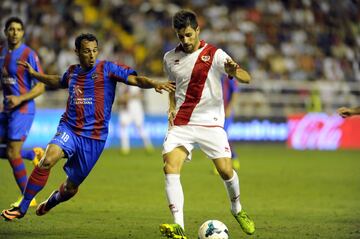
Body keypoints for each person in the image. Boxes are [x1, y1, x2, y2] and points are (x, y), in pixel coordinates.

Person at [1, 33, 175, 221]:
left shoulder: (107, 69)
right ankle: (23, 206)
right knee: (48, 159)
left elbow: (136, 80)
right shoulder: (73, 72)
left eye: (94, 50)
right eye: (86, 51)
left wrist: (155, 83)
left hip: (94, 138)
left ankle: (52, 201)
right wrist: (36, 75)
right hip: (70, 128)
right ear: (77, 52)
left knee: (70, 188)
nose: (92, 55)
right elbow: (58, 81)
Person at [159, 10, 255, 239]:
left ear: (198, 30)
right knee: (170, 166)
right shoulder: (169, 58)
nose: (186, 40)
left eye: (189, 35)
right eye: (181, 36)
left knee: (225, 170)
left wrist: (234, 71)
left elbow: (246, 77)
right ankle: (179, 227)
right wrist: (171, 106)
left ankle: (237, 209)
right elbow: (173, 86)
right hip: (182, 124)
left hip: (210, 124)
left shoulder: (214, 54)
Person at [0, 17, 45, 208]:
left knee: (12, 152)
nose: (15, 32)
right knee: (13, 153)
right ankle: (30, 155)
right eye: (11, 29)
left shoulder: (28, 54)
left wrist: (20, 98)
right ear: (5, 32)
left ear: (23, 33)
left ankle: (28, 198)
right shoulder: (1, 53)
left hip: (23, 109)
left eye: (18, 29)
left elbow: (41, 85)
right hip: (7, 110)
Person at [117, 84, 153, 155]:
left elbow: (140, 95)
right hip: (125, 110)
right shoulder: (120, 86)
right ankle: (125, 148)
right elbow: (120, 99)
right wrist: (123, 98)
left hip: (136, 109)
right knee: (123, 127)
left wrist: (129, 96)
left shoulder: (134, 85)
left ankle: (148, 146)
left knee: (140, 127)